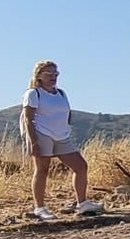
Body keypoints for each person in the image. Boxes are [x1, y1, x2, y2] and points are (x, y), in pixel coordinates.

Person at [20, 61, 102, 220]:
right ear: (39, 76)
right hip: (42, 133)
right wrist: (33, 141)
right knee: (42, 170)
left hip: (62, 135)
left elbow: (66, 112)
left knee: (80, 166)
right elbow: (28, 119)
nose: (53, 77)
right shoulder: (33, 94)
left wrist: (66, 127)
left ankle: (82, 203)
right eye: (48, 74)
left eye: (55, 74)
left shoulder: (61, 93)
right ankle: (40, 207)